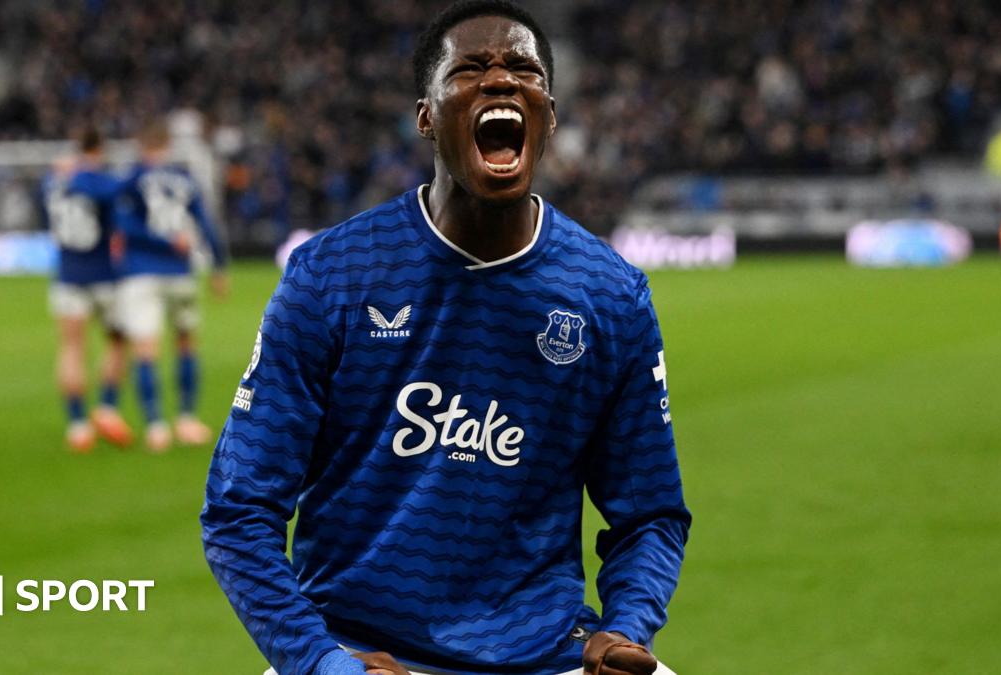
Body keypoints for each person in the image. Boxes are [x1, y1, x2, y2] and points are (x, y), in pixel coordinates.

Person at [201, 2, 690, 673]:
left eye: (523, 68)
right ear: (426, 116)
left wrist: (628, 626)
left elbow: (651, 512)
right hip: (358, 653)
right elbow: (238, 510)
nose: (500, 81)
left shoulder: (609, 295)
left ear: (547, 111)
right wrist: (318, 659)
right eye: (470, 69)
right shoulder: (332, 276)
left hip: (548, 656)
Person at [114, 121, 229, 452]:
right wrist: (219, 267)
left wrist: (161, 241)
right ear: (166, 145)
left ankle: (155, 426)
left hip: (141, 272)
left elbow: (124, 225)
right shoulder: (184, 179)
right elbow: (206, 223)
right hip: (180, 271)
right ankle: (187, 419)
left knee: (146, 349)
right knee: (186, 343)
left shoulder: (132, 179)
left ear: (140, 145)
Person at [42, 127, 132, 452]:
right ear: (99, 150)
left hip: (67, 275)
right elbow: (120, 191)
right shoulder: (96, 180)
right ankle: (106, 408)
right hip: (103, 274)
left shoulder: (53, 182)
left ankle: (78, 425)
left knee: (71, 348)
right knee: (119, 340)